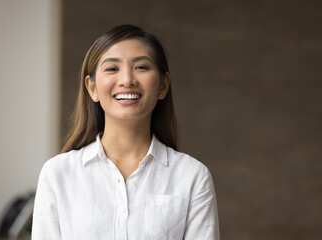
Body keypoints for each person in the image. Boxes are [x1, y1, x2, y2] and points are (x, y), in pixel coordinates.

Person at [32, 24, 219, 240]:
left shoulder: (193, 177)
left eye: (141, 67)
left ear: (163, 86)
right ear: (92, 88)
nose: (127, 80)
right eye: (112, 69)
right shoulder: (57, 174)